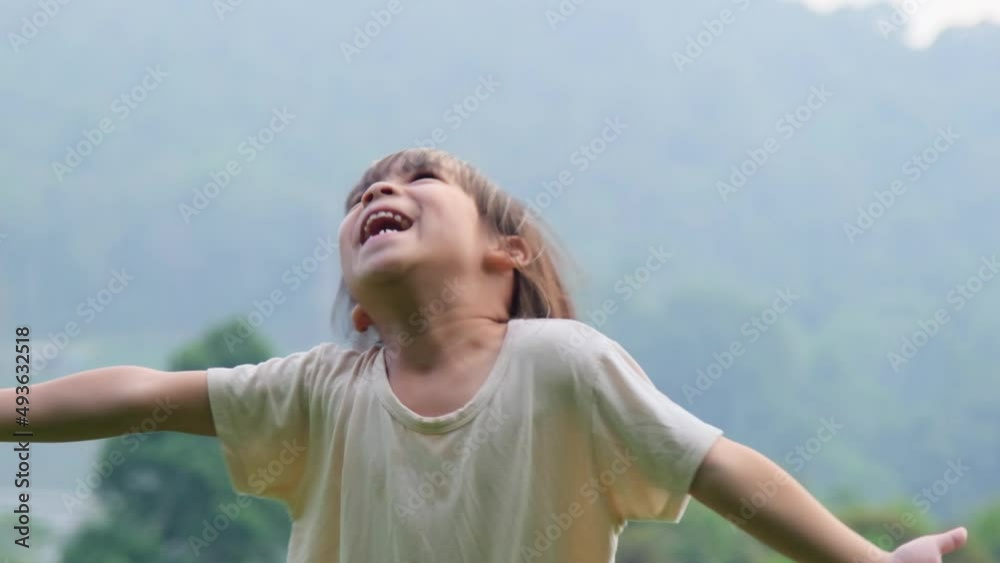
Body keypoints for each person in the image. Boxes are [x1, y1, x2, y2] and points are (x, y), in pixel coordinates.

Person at [3, 149, 968, 562]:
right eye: (362, 195)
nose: (381, 190)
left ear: (507, 255)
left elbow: (724, 470)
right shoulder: (319, 390)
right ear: (360, 315)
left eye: (419, 179)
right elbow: (144, 396)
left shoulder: (567, 367)